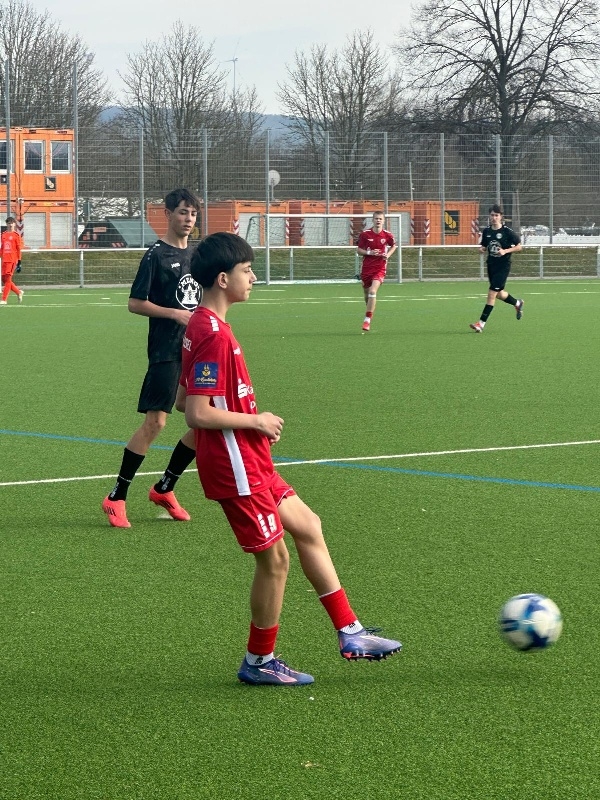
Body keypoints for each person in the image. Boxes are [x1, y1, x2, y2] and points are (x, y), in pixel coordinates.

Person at [177, 232, 402, 686]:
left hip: (250, 458)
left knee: (309, 525)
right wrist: (255, 420)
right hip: (236, 466)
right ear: (223, 279)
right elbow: (196, 413)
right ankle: (259, 661)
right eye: (247, 271)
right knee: (275, 561)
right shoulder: (212, 334)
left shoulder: (204, 325)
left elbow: (184, 397)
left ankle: (351, 631)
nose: (253, 278)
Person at [102, 188, 202, 529]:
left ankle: (164, 488)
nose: (188, 219)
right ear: (168, 214)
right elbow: (135, 302)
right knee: (156, 423)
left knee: (203, 422)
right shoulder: (155, 256)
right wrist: (174, 314)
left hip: (196, 349)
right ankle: (116, 496)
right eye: (182, 212)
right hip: (166, 350)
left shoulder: (198, 255)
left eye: (193, 213)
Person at [470, 204, 523, 333]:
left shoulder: (507, 232)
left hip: (503, 266)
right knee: (499, 293)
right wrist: (482, 249)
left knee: (491, 293)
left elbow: (519, 247)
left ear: (501, 217)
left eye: (496, 215)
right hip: (491, 265)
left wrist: (505, 251)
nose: (494, 218)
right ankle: (517, 303)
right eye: (492, 215)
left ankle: (481, 324)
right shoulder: (487, 231)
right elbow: (484, 245)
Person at [356, 211, 397, 332]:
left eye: (380, 219)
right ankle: (369, 308)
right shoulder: (365, 234)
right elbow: (359, 250)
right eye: (376, 218)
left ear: (383, 221)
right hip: (367, 268)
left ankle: (367, 320)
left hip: (380, 268)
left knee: (373, 291)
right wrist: (369, 252)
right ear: (372, 220)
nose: (378, 220)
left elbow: (394, 246)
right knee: (367, 294)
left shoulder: (387, 235)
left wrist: (387, 255)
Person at [0, 217, 23, 306]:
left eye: (12, 223)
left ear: (14, 224)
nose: (10, 225)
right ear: (7, 224)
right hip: (4, 260)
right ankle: (18, 292)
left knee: (8, 279)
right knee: (4, 279)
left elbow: (18, 249)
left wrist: (19, 261)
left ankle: (4, 299)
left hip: (12, 260)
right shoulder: (3, 235)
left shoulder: (16, 235)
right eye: (9, 223)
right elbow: (2, 248)